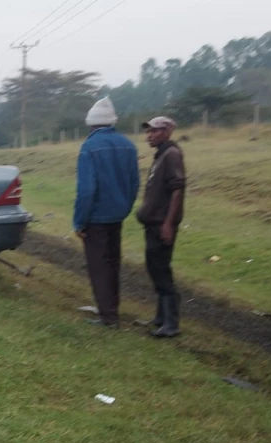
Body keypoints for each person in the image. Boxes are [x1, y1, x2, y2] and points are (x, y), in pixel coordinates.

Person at [73, 96, 140, 328]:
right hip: (117, 215)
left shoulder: (89, 148)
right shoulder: (128, 145)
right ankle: (112, 309)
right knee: (113, 263)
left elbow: (87, 190)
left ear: (92, 124)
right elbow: (134, 184)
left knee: (99, 267)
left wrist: (80, 221)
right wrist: (125, 207)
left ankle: (108, 316)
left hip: (96, 218)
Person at [136, 116, 186, 338]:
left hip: (161, 225)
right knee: (154, 267)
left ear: (167, 131)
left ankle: (171, 324)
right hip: (152, 223)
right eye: (148, 132)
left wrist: (168, 223)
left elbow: (177, 189)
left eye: (154, 131)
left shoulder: (172, 155)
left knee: (161, 270)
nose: (150, 135)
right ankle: (160, 318)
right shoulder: (161, 154)